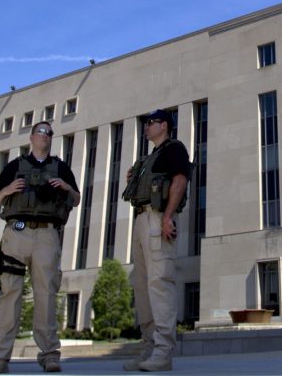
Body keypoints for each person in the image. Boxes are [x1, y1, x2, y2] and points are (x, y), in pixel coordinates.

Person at [0, 121, 81, 374]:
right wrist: (7, 190)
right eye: (41, 131)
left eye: (49, 133)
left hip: (47, 234)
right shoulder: (15, 166)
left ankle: (49, 354)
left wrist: (66, 186)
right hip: (16, 233)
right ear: (31, 137)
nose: (45, 136)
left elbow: (77, 198)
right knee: (9, 293)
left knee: (46, 294)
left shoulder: (60, 166)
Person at [121, 109, 191, 372]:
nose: (146, 127)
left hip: (158, 218)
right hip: (141, 220)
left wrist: (168, 217)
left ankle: (163, 351)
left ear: (164, 125)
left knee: (159, 283)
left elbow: (180, 180)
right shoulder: (149, 157)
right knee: (142, 287)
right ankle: (149, 348)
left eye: (150, 123)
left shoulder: (175, 149)